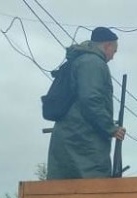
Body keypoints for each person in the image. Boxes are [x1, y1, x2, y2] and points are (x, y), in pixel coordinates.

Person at [47, 27, 126, 180]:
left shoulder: (79, 60)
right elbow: (91, 99)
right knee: (93, 192)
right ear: (107, 45)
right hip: (83, 142)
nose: (113, 57)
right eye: (114, 51)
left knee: (63, 195)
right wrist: (110, 128)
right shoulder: (93, 63)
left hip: (71, 138)